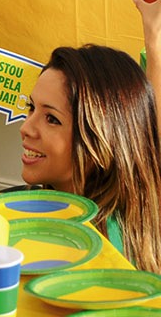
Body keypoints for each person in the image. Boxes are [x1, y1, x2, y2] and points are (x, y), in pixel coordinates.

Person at [19, 44, 161, 274]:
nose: (26, 128)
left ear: (104, 135)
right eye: (31, 107)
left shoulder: (100, 252)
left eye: (52, 119)